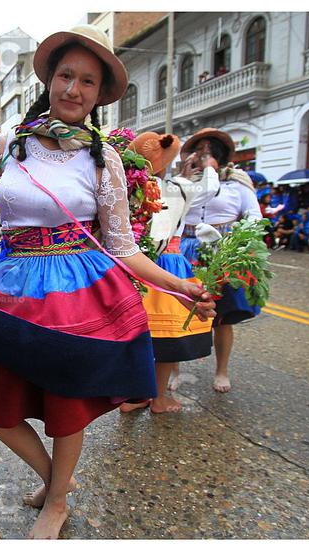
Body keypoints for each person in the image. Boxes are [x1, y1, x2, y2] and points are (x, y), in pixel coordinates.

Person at [0, 25, 215, 539]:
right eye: (65, 76)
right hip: (9, 282)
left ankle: (56, 502)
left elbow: (121, 247)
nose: (73, 90)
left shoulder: (105, 159)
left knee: (64, 403)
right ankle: (57, 480)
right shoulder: (14, 142)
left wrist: (180, 286)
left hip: (75, 288)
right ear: (50, 82)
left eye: (87, 82)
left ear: (99, 97)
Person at [121, 131, 218, 414]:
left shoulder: (126, 187)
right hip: (168, 264)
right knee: (166, 337)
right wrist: (206, 166)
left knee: (135, 334)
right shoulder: (177, 188)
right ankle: (159, 399)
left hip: (132, 263)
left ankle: (132, 396)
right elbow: (210, 189)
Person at [178, 128, 262, 394]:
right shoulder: (183, 181)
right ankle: (172, 368)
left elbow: (254, 217)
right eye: (199, 149)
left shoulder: (237, 182)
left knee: (222, 316)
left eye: (209, 150)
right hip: (186, 250)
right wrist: (183, 178)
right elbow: (169, 211)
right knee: (177, 310)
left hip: (222, 251)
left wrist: (239, 244)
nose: (203, 155)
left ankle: (222, 370)